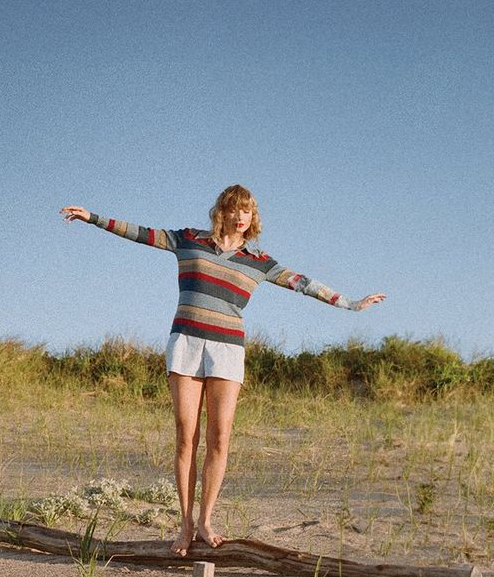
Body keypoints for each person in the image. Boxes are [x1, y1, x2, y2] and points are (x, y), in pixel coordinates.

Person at [61, 185, 385, 556]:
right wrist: (93, 218)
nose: (240, 216)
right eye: (234, 209)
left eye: (247, 210)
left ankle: (206, 521)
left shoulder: (259, 261)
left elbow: (303, 283)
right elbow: (140, 233)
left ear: (253, 217)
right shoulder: (188, 240)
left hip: (227, 352)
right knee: (186, 438)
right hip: (185, 344)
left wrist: (351, 304)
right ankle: (184, 525)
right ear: (222, 211)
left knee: (220, 439)